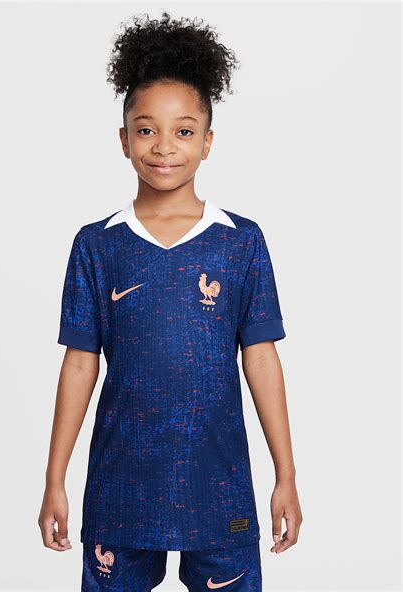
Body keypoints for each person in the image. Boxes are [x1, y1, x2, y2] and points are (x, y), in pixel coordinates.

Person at [38, 11, 302, 592]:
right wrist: (54, 479)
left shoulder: (240, 242)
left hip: (219, 485)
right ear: (124, 139)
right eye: (146, 130)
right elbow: (79, 364)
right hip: (120, 488)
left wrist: (286, 474)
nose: (163, 147)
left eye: (183, 131)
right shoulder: (98, 245)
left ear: (207, 142)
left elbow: (261, 358)